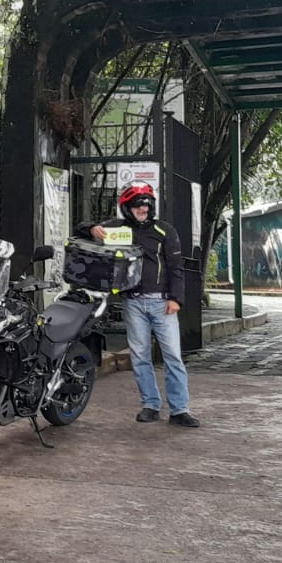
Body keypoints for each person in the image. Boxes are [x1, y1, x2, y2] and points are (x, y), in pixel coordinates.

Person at [77, 183, 196, 427]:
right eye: (136, 205)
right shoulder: (116, 228)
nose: (142, 208)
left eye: (146, 204)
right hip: (133, 302)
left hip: (162, 302)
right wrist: (92, 228)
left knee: (173, 355)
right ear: (127, 208)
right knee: (140, 356)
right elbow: (79, 232)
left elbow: (176, 268)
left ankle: (179, 409)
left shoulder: (164, 230)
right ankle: (150, 404)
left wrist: (176, 298)